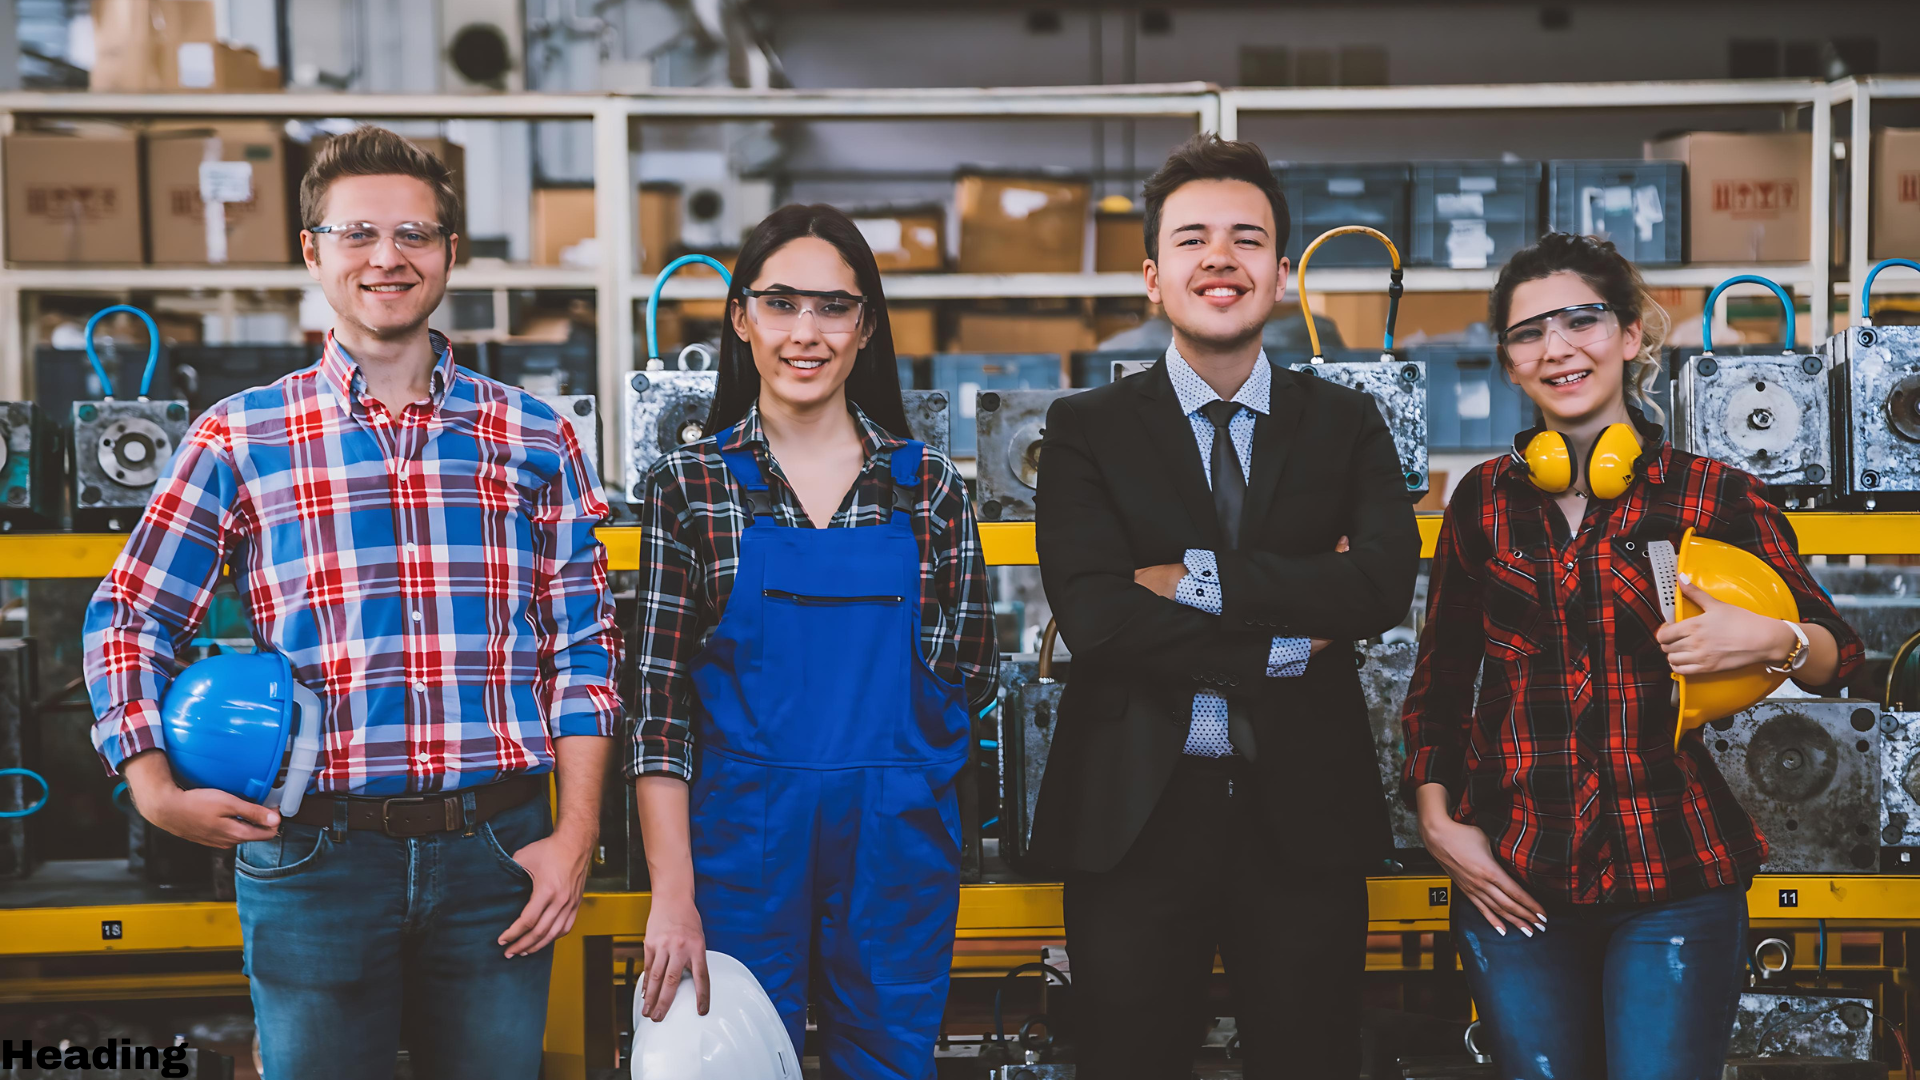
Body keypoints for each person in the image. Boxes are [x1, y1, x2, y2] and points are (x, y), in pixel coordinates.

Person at [82, 126, 622, 1080]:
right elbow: (130, 613)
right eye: (358, 233)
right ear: (313, 252)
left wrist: (573, 836)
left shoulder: (532, 435)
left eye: (416, 233)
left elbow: (585, 650)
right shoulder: (241, 436)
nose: (388, 257)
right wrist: (152, 786)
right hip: (312, 858)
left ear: (451, 251)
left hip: (497, 854)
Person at [1400, 233, 1866, 1080]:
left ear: (1629, 336)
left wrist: (1777, 640)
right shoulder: (1483, 503)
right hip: (1513, 878)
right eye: (1530, 332)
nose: (1558, 348)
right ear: (1509, 363)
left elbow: (1839, 657)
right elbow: (1439, 687)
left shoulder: (1712, 493)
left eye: (1582, 320)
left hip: (1674, 879)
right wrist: (1437, 820)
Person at [1030, 133, 1421, 1079]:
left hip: (1304, 814)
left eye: (1247, 240)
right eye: (1193, 238)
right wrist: (1290, 641)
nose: (1220, 258)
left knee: (1310, 1059)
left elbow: (1378, 584)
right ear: (1152, 276)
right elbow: (1097, 617)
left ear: (1282, 276)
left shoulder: (1345, 423)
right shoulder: (1085, 429)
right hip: (1134, 819)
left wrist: (1189, 579)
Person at [628, 203, 999, 1079]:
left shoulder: (930, 490)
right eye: (783, 303)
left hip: (893, 850)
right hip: (738, 850)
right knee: (730, 1067)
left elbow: (972, 676)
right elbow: (656, 710)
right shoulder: (689, 488)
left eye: (834, 307)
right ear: (740, 316)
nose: (808, 331)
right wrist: (672, 893)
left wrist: (896, 783)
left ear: (866, 326)